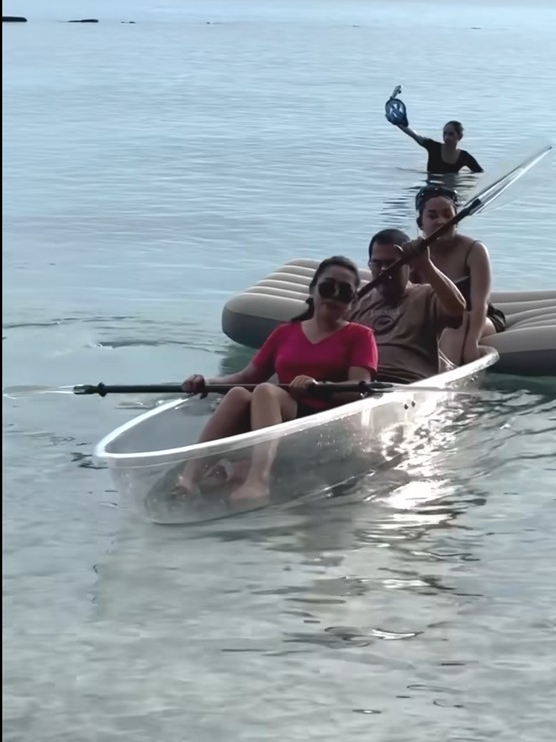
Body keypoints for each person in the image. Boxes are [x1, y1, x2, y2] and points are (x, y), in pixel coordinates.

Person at [177, 256, 378, 504]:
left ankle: (257, 480)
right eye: (327, 287)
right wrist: (205, 383)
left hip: (323, 421)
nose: (333, 296)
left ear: (352, 301)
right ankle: (189, 477)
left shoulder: (360, 336)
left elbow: (359, 390)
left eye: (344, 292)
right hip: (278, 414)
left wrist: (318, 388)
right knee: (239, 394)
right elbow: (246, 377)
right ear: (313, 289)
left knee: (266, 391)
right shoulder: (286, 332)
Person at [348, 228, 466, 384]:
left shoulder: (427, 295)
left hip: (409, 385)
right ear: (369, 265)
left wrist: (426, 265)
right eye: (377, 263)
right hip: (361, 383)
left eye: (391, 263)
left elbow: (457, 310)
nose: (384, 270)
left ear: (409, 266)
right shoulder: (357, 302)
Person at [414, 185, 506, 365]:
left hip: (478, 319)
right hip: (438, 321)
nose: (441, 221)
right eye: (432, 216)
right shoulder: (415, 255)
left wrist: (471, 343)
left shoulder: (473, 250)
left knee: (458, 320)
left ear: (456, 220)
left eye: (448, 215)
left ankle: (450, 380)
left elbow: (480, 304)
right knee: (452, 321)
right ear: (421, 223)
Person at [395, 118, 483, 175]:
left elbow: (480, 173)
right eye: (444, 133)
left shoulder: (464, 157)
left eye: (451, 134)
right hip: (431, 188)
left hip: (450, 190)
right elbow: (414, 135)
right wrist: (397, 122)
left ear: (459, 137)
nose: (446, 137)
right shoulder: (433, 147)